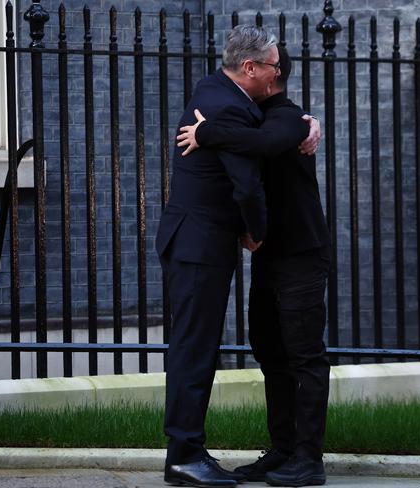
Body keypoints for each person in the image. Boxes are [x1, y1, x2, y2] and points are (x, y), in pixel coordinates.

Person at [176, 44, 331, 487]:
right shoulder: (253, 115)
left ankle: (309, 458)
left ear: (271, 75)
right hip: (269, 253)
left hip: (301, 253)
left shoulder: (289, 117)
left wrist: (207, 134)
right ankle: (282, 450)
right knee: (270, 352)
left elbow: (263, 143)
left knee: (304, 356)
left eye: (264, 69)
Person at [156, 25, 281, 488]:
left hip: (193, 241)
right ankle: (184, 454)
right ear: (249, 68)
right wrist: (256, 229)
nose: (277, 74)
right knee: (194, 349)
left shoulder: (213, 90)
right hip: (200, 244)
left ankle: (184, 450)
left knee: (195, 346)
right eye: (273, 67)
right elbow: (247, 184)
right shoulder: (230, 105)